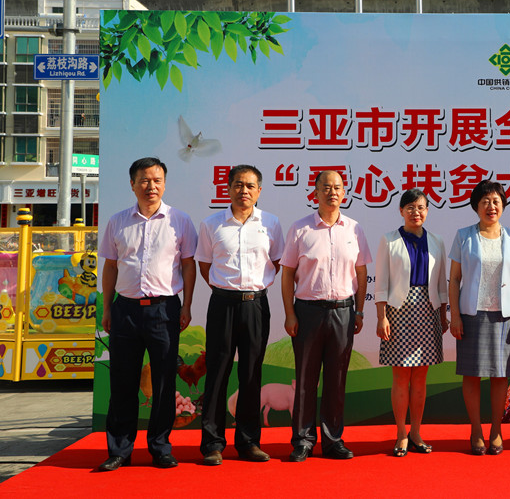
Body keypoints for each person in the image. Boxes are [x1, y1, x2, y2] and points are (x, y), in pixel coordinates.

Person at [96, 157, 197, 472]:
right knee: (122, 381)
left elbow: (188, 265)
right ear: (132, 184)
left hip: (164, 310)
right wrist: (108, 307)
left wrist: (187, 306)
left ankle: (160, 447)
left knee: (164, 383)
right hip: (125, 310)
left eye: (157, 180)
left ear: (164, 184)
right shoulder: (117, 222)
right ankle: (120, 451)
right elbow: (111, 266)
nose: (151, 186)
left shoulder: (180, 221)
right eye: (144, 180)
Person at [195, 164, 284, 465]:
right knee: (217, 373)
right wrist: (226, 289)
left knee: (251, 374)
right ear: (228, 188)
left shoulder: (271, 223)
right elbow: (204, 264)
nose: (243, 191)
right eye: (238, 185)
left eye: (250, 186)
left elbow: (276, 261)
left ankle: (248, 442)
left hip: (256, 305)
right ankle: (212, 443)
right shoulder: (212, 224)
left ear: (259, 191)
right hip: (222, 304)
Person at [281, 170, 371, 461]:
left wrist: (359, 311)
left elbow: (361, 272)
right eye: (326, 187)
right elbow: (287, 274)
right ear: (316, 193)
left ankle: (333, 441)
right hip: (307, 312)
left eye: (338, 187)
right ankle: (303, 441)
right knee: (305, 380)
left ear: (344, 193)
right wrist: (290, 313)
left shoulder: (354, 229)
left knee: (336, 379)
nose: (332, 192)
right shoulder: (300, 228)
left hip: (343, 312)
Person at [449, 180, 510, 456]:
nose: (491, 206)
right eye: (485, 201)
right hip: (471, 314)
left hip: (503, 316)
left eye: (496, 201)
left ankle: (496, 430)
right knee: (471, 375)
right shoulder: (464, 236)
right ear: (476, 206)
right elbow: (454, 278)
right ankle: (475, 430)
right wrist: (455, 315)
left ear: (503, 205)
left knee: (500, 375)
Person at [374, 188, 450, 457]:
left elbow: (441, 283)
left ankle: (416, 432)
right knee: (400, 376)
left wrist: (443, 314)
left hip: (428, 311)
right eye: (410, 208)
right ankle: (401, 435)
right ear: (401, 211)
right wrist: (381, 317)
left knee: (420, 377)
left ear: (427, 211)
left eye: (420, 207)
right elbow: (381, 282)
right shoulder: (389, 240)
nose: (415, 212)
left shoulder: (437, 241)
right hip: (398, 312)